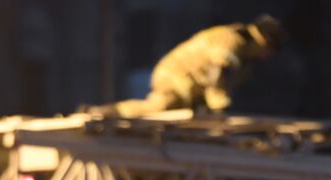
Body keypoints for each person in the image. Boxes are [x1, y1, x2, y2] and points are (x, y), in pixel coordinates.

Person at [114, 16, 284, 117]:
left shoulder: (245, 58)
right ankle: (112, 113)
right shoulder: (232, 41)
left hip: (193, 87)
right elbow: (218, 73)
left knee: (184, 118)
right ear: (265, 43)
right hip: (175, 76)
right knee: (162, 107)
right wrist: (218, 106)